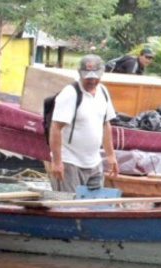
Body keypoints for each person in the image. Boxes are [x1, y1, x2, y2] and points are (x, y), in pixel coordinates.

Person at [49, 54, 119, 192]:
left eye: (95, 77)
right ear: (80, 73)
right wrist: (57, 162)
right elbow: (55, 128)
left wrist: (110, 156)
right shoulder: (70, 93)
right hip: (70, 162)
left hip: (94, 162)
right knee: (67, 207)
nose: (92, 80)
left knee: (92, 208)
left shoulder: (103, 92)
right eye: (87, 77)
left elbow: (105, 124)